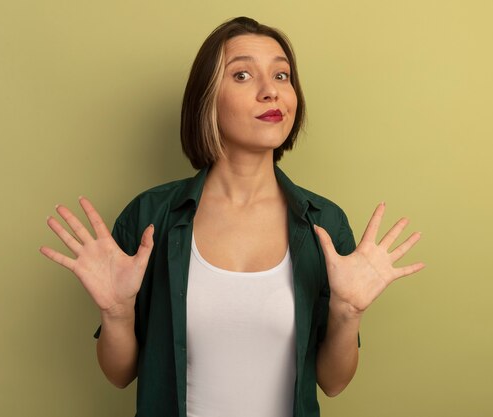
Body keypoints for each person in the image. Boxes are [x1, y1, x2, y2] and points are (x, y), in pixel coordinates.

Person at [39, 16, 424, 417]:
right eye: (242, 75)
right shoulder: (152, 217)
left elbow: (334, 382)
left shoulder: (323, 224)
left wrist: (348, 313)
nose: (270, 92)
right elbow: (120, 374)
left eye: (281, 75)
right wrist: (117, 313)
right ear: (207, 99)